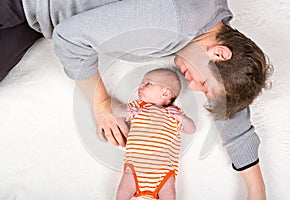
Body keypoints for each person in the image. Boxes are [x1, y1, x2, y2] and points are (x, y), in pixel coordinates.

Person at [1, 0, 267, 199]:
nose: (193, 88)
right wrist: (102, 105)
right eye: (203, 84)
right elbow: (69, 40)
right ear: (219, 53)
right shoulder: (172, 24)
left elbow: (227, 96)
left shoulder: (213, 17)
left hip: (40, 17)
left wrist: (256, 190)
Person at [116, 68, 196, 200]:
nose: (140, 87)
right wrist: (126, 111)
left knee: (169, 194)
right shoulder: (139, 106)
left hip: (163, 172)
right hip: (136, 166)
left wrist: (183, 119)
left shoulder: (175, 113)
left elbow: (191, 129)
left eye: (147, 84)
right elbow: (116, 112)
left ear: (165, 93)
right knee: (123, 192)